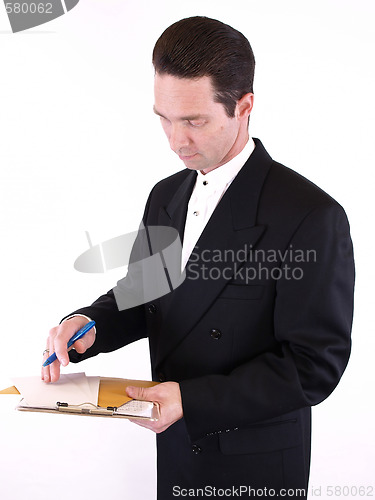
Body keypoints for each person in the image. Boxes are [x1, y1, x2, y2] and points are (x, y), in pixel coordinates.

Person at [42, 16, 355, 499]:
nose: (175, 141)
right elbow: (146, 294)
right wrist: (89, 324)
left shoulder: (311, 215)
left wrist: (190, 398)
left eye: (194, 121)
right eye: (164, 118)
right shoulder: (165, 195)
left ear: (244, 105)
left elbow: (315, 366)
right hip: (175, 449)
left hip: (255, 464)